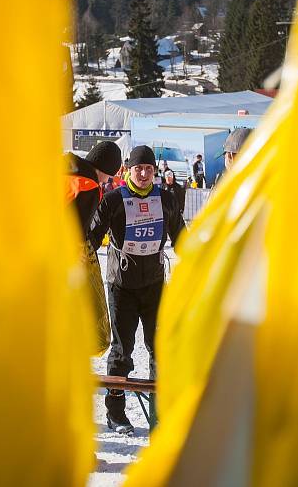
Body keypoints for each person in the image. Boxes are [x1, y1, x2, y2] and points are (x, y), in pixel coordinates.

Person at [89, 145, 185, 434]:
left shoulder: (166, 199)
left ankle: (159, 414)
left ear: (155, 171)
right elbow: (91, 237)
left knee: (160, 350)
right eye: (138, 168)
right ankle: (116, 415)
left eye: (148, 169)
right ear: (128, 170)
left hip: (154, 285)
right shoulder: (114, 199)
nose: (143, 174)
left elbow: (182, 237)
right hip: (122, 286)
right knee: (122, 351)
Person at [66, 141, 122, 352]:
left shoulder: (64, 171)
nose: (107, 182)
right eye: (108, 176)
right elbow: (76, 228)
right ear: (105, 169)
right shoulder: (89, 186)